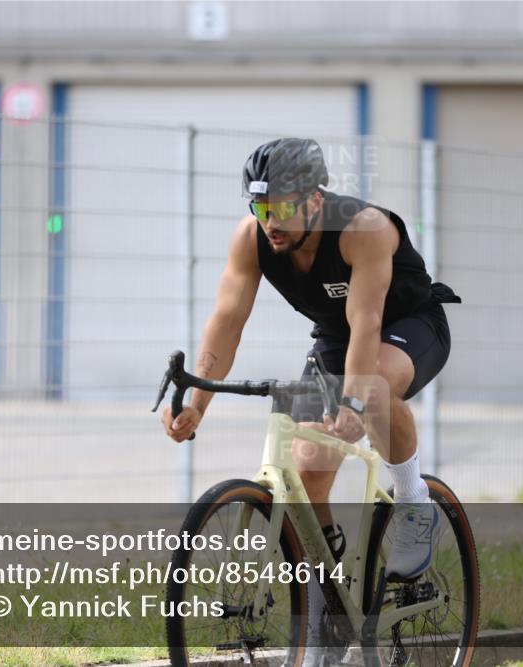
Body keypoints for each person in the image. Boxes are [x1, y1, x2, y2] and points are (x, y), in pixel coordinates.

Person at [160, 137, 460, 662]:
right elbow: (227, 322)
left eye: (282, 208)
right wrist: (198, 401)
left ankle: (414, 505)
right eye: (261, 208)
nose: (270, 221)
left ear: (315, 200)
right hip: (336, 338)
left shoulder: (362, 229)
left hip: (409, 324)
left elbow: (367, 322)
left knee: (374, 383)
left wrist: (355, 403)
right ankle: (331, 611)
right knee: (305, 474)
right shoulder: (251, 239)